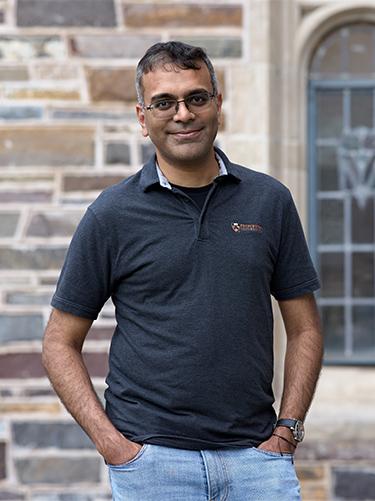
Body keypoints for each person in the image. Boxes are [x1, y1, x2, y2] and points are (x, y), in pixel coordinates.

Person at [42, 41, 323, 500]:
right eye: (164, 102)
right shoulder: (112, 215)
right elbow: (59, 341)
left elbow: (306, 329)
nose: (183, 114)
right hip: (152, 466)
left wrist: (286, 431)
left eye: (196, 98)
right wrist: (113, 445)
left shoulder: (269, 201)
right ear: (142, 117)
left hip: (258, 463)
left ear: (217, 104)